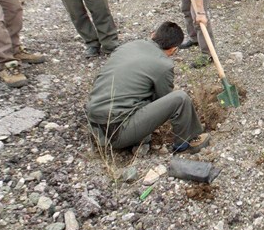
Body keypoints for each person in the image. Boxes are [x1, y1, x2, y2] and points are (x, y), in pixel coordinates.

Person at [86, 21, 210, 153]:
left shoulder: (128, 47)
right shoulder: (163, 64)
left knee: (141, 93)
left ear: (153, 35)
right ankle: (186, 143)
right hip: (117, 134)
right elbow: (165, 99)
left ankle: (138, 137)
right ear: (173, 49)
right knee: (180, 99)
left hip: (93, 125)